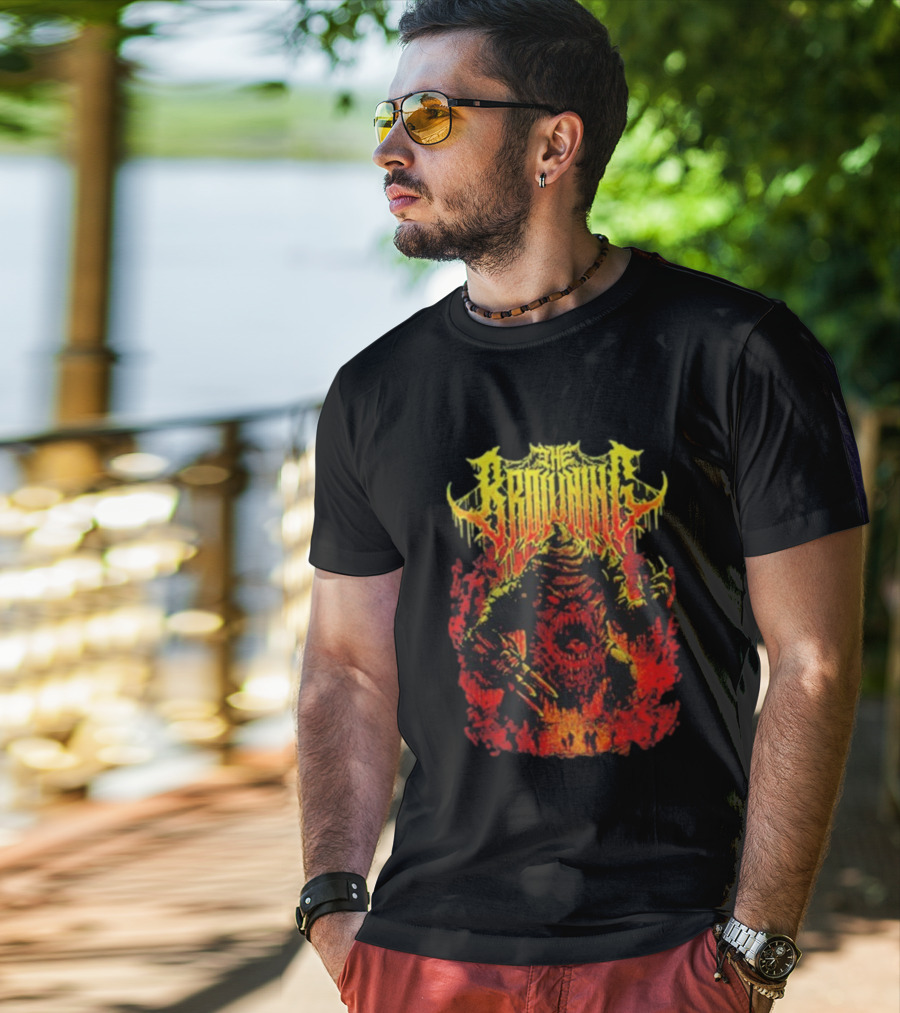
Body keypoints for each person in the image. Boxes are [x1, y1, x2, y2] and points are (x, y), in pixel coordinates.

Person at [295, 2, 869, 1011]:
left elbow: (813, 660)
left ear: (553, 145)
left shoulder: (738, 354)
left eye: (430, 116)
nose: (389, 147)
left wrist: (755, 949)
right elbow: (346, 663)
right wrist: (335, 907)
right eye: (388, 117)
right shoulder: (375, 391)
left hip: (665, 950)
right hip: (425, 955)